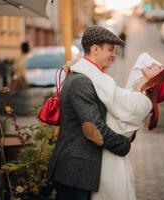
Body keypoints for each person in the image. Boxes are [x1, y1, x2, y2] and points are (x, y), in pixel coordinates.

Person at [47, 25, 152, 200]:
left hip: (82, 171)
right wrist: (124, 144)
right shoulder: (81, 81)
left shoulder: (91, 78)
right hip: (75, 172)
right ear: (95, 49)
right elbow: (93, 129)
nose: (114, 54)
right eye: (110, 49)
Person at [70, 51, 164, 200]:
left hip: (111, 164)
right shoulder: (136, 95)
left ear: (159, 81)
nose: (154, 63)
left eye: (160, 68)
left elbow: (109, 91)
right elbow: (142, 57)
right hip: (106, 156)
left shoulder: (142, 103)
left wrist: (82, 65)